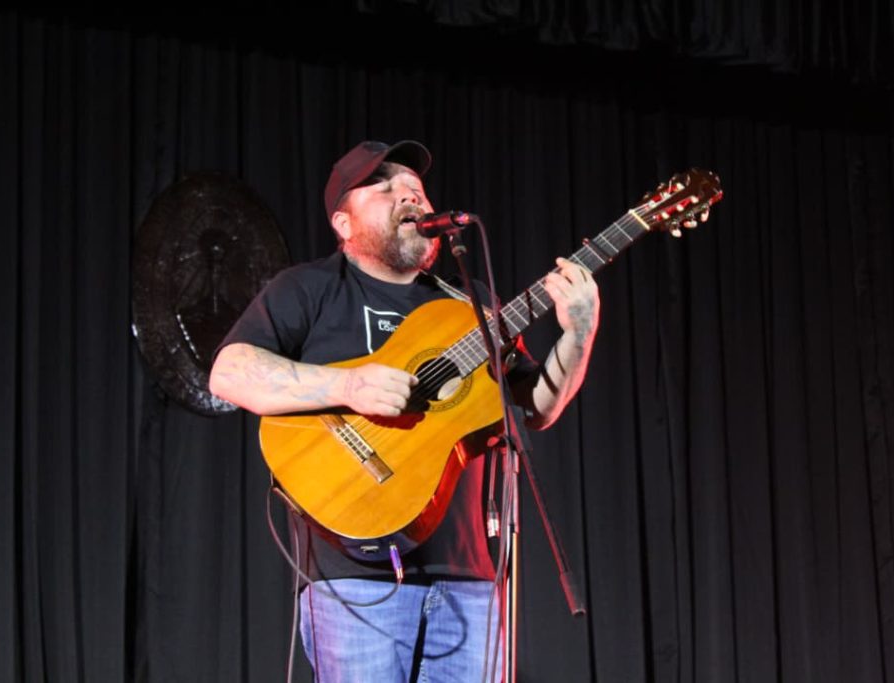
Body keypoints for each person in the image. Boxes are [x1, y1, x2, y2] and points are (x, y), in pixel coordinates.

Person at [209, 139, 600, 682]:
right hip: (354, 580)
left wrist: (578, 334)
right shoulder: (310, 289)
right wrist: (350, 384)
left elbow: (535, 408)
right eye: (385, 186)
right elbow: (229, 372)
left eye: (415, 189)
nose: (409, 195)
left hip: (470, 579)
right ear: (343, 223)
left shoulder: (470, 302)